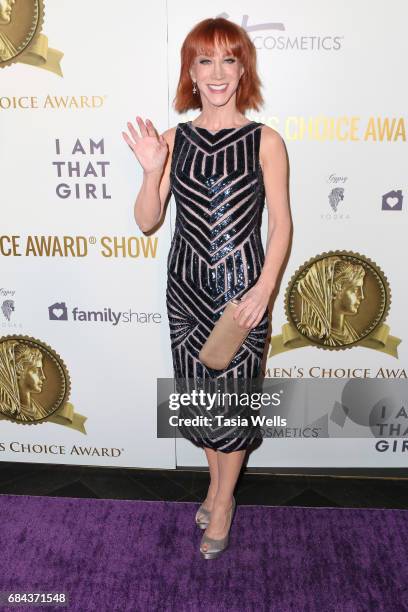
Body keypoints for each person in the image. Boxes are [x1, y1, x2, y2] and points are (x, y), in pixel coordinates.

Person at [122, 17, 291, 559]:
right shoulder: (173, 140)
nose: (217, 73)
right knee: (204, 406)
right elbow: (147, 221)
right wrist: (152, 172)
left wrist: (265, 290)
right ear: (190, 72)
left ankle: (221, 501)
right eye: (205, 61)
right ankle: (219, 487)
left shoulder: (267, 141)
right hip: (186, 292)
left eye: (228, 60)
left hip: (244, 293)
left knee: (233, 408)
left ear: (243, 69)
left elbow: (281, 225)